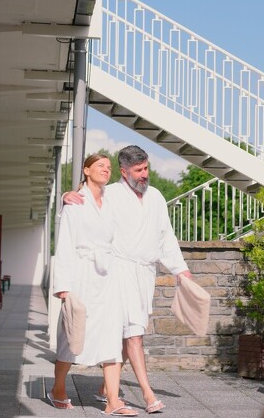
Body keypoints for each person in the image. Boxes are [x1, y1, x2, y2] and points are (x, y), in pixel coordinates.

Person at [63, 145, 192, 414]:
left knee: (125, 333)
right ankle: (148, 395)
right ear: (124, 172)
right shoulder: (111, 194)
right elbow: (87, 203)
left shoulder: (156, 197)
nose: (144, 174)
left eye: (146, 168)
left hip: (145, 273)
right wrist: (68, 195)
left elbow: (166, 236)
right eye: (138, 170)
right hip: (118, 271)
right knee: (133, 334)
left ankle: (105, 388)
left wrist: (180, 269)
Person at [50, 154, 136, 416]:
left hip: (109, 278)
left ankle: (113, 401)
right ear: (86, 170)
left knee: (111, 335)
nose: (106, 170)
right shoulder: (75, 202)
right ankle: (58, 388)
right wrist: (63, 286)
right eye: (100, 166)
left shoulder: (113, 201)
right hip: (82, 276)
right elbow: (65, 243)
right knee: (72, 335)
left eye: (109, 167)